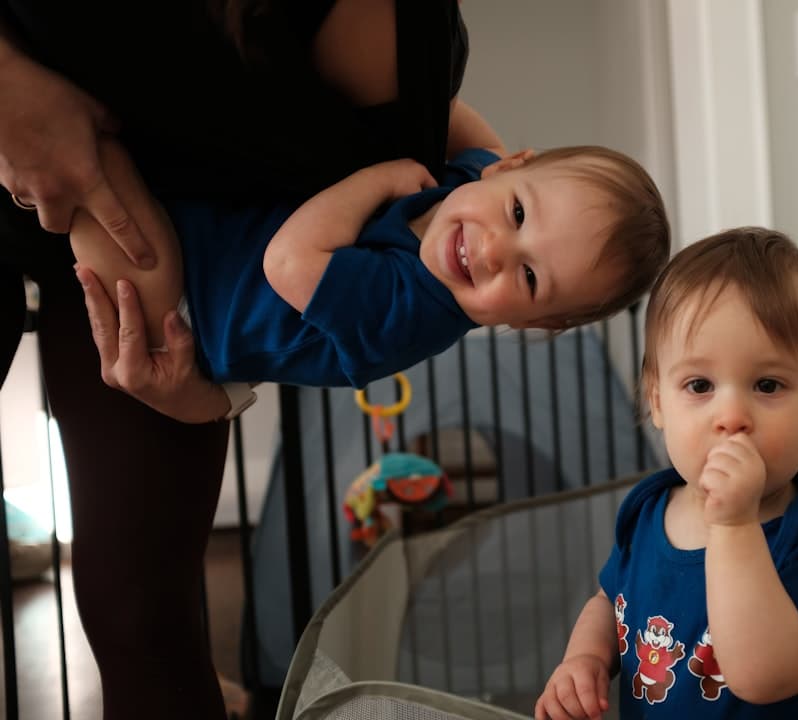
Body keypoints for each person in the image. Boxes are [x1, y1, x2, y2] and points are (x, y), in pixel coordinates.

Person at [0, 1, 492, 717]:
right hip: (95, 181)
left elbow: (293, 279)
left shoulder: (407, 61)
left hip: (173, 257)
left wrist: (217, 391)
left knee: (137, 611)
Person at [68, 139, 670, 421]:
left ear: (531, 321)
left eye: (531, 277)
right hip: (209, 233)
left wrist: (378, 180)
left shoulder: (410, 313)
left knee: (94, 174)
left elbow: (289, 264)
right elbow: (463, 122)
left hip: (185, 310)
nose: (492, 251)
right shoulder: (478, 179)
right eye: (516, 213)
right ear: (511, 164)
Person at [535, 227, 798, 720]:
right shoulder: (648, 509)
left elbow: (763, 675)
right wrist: (585, 658)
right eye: (699, 384)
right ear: (656, 399)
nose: (731, 415)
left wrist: (734, 525)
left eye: (767, 384)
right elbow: (610, 600)